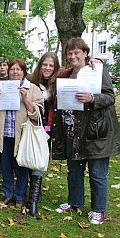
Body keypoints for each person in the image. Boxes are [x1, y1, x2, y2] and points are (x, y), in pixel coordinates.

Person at [52, 37, 120, 225]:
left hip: (95, 132)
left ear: (85, 53)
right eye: (70, 53)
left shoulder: (96, 71)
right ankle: (75, 202)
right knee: (74, 170)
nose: (73, 56)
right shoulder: (65, 75)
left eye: (77, 52)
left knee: (97, 172)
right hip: (72, 131)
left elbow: (109, 97)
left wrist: (91, 98)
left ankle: (98, 210)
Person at [0, 60, 43, 208]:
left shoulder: (32, 88)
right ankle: (8, 195)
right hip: (5, 134)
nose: (15, 72)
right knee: (6, 167)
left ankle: (20, 197)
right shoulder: (1, 86)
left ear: (24, 72)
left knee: (21, 168)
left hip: (23, 135)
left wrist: (26, 99)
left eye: (19, 69)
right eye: (12, 69)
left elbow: (37, 113)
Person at [27, 52, 60, 216]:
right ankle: (25, 193)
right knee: (27, 157)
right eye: (45, 64)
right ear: (40, 65)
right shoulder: (31, 81)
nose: (47, 68)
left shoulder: (58, 84)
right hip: (30, 125)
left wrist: (92, 61)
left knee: (39, 161)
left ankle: (33, 200)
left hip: (48, 129)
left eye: (51, 65)